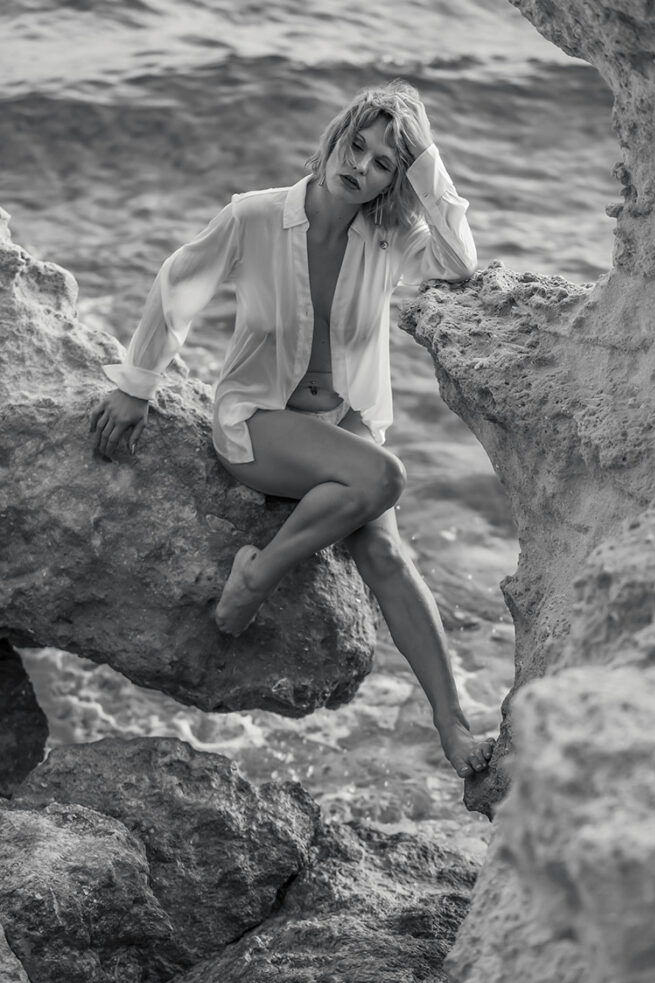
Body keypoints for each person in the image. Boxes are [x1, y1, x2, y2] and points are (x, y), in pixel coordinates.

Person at [89, 79, 495, 780]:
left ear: (394, 181)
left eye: (383, 164)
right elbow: (177, 285)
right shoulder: (255, 216)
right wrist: (136, 386)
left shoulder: (391, 237)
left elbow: (462, 264)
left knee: (386, 555)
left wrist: (426, 160)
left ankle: (453, 728)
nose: (360, 166)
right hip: (260, 420)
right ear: (335, 137)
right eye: (356, 145)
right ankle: (256, 579)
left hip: (344, 423)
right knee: (384, 477)